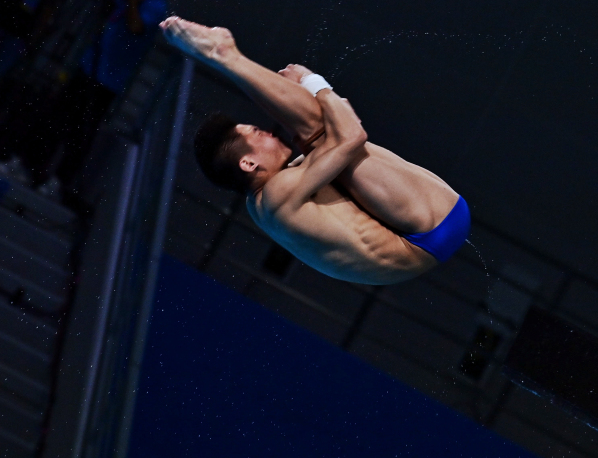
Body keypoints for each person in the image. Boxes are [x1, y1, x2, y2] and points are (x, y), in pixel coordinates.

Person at [160, 16, 470, 285]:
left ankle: (226, 57)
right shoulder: (279, 191)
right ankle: (226, 56)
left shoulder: (264, 205)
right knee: (320, 132)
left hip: (430, 232)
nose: (267, 131)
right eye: (257, 133)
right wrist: (312, 82)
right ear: (248, 163)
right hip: (431, 228)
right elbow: (352, 134)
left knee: (314, 137)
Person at [29, 0, 181, 196]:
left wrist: (132, 2)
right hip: (88, 66)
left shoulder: (155, 7)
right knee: (56, 116)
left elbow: (136, 28)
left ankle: (59, 180)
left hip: (107, 79)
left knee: (81, 131)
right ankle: (32, 165)